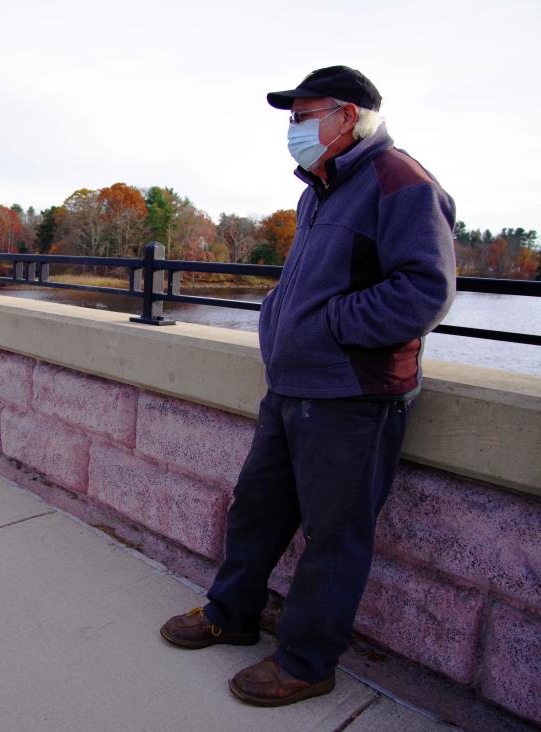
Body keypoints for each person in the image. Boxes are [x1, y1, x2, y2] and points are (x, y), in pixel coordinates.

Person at [159, 66, 456, 707]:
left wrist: (325, 327)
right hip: (293, 387)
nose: (293, 129)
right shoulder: (320, 188)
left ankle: (306, 660)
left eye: (303, 115)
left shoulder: (400, 181)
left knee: (334, 536)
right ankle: (232, 613)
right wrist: (280, 319)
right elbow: (308, 281)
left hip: (354, 397)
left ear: (347, 117)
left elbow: (424, 291)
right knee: (256, 511)